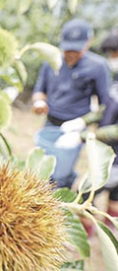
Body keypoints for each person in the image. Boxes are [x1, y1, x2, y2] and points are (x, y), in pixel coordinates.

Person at [31, 18, 112, 189]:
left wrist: (87, 127)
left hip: (76, 126)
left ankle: (62, 191)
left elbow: (107, 104)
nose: (72, 53)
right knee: (43, 168)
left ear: (88, 43)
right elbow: (39, 89)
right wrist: (39, 102)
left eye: (77, 48)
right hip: (51, 122)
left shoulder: (97, 66)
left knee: (62, 171)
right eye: (68, 48)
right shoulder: (51, 60)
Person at [57, 27, 118, 220]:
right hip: (105, 151)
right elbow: (108, 105)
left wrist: (84, 136)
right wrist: (83, 120)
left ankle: (92, 230)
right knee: (109, 193)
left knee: (87, 197)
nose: (112, 58)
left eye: (115, 53)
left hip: (115, 157)